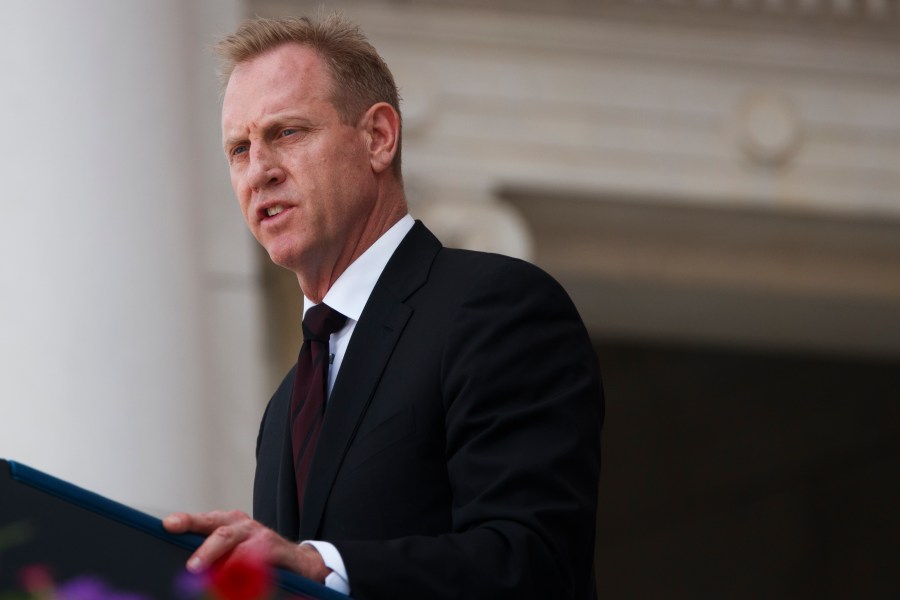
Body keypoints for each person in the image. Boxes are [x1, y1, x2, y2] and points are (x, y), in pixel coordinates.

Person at [163, 13, 604, 600]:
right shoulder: (283, 409)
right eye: (239, 149)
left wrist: (322, 566)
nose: (259, 171)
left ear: (378, 138)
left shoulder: (495, 308)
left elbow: (533, 560)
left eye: (287, 132)